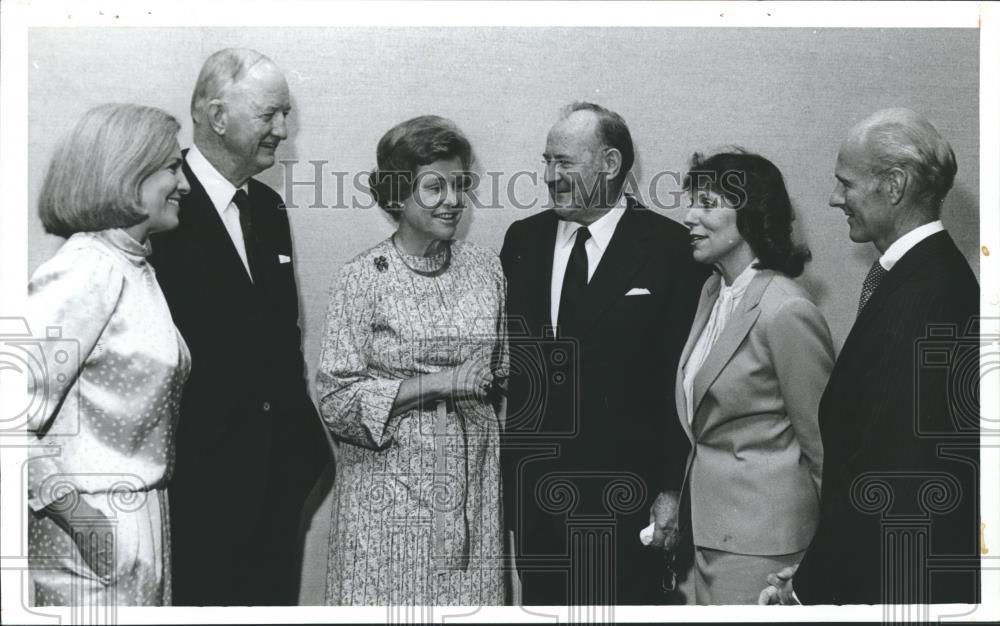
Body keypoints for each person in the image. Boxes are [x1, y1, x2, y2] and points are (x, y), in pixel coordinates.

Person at [759, 108, 980, 605]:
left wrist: (809, 588)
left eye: (846, 183)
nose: (836, 199)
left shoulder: (928, 293)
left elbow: (887, 473)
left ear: (895, 184)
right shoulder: (920, 278)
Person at [500, 102, 708, 605]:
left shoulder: (672, 250)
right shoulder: (522, 241)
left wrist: (671, 490)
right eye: (546, 161)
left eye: (563, 163)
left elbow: (682, 383)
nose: (549, 176)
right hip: (537, 504)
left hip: (628, 504)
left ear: (611, 164)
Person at [148, 48, 331, 606]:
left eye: (287, 115)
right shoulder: (156, 202)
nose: (283, 129)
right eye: (270, 114)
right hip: (194, 494)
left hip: (277, 485)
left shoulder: (269, 208)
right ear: (218, 115)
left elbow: (279, 335)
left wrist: (301, 456)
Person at [316, 115, 507, 605]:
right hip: (387, 495)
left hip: (470, 487)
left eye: (460, 184)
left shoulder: (486, 269)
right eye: (434, 186)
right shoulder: (363, 277)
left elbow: (499, 370)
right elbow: (336, 400)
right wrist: (436, 384)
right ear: (398, 193)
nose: (453, 200)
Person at [27, 103, 191, 606]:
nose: (184, 185)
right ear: (126, 173)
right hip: (92, 532)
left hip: (141, 519)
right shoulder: (86, 271)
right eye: (172, 168)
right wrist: (82, 519)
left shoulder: (133, 266)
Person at [652, 150, 834, 604]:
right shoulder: (713, 291)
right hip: (707, 539)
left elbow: (825, 452)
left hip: (766, 548)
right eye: (691, 200)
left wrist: (823, 563)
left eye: (707, 203)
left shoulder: (787, 310)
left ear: (750, 215)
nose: (689, 216)